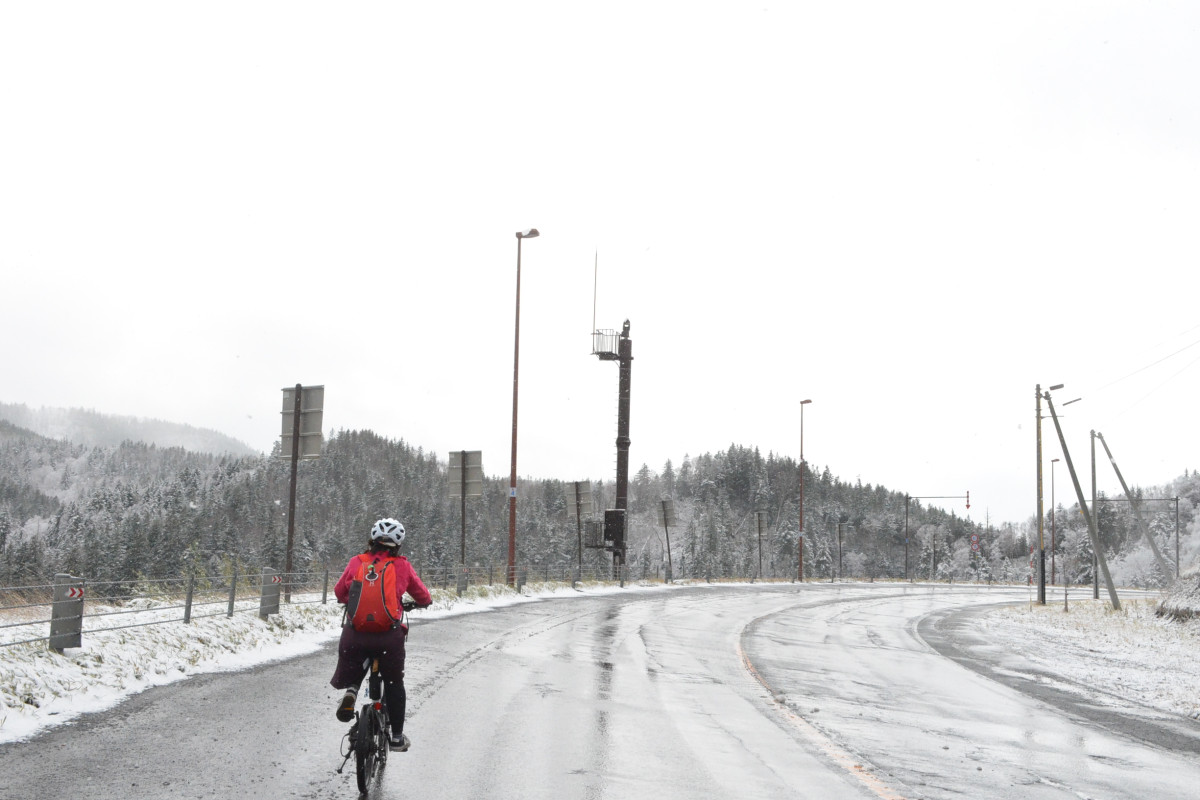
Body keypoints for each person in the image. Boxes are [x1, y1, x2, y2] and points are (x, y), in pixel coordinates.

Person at [330, 517, 432, 752]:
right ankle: (396, 737)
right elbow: (422, 595)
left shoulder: (357, 562)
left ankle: (352, 690)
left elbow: (339, 592)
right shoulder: (402, 566)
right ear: (397, 546)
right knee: (395, 682)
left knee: (356, 660)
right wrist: (421, 602)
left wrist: (354, 601)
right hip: (388, 636)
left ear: (372, 540)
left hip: (355, 635)